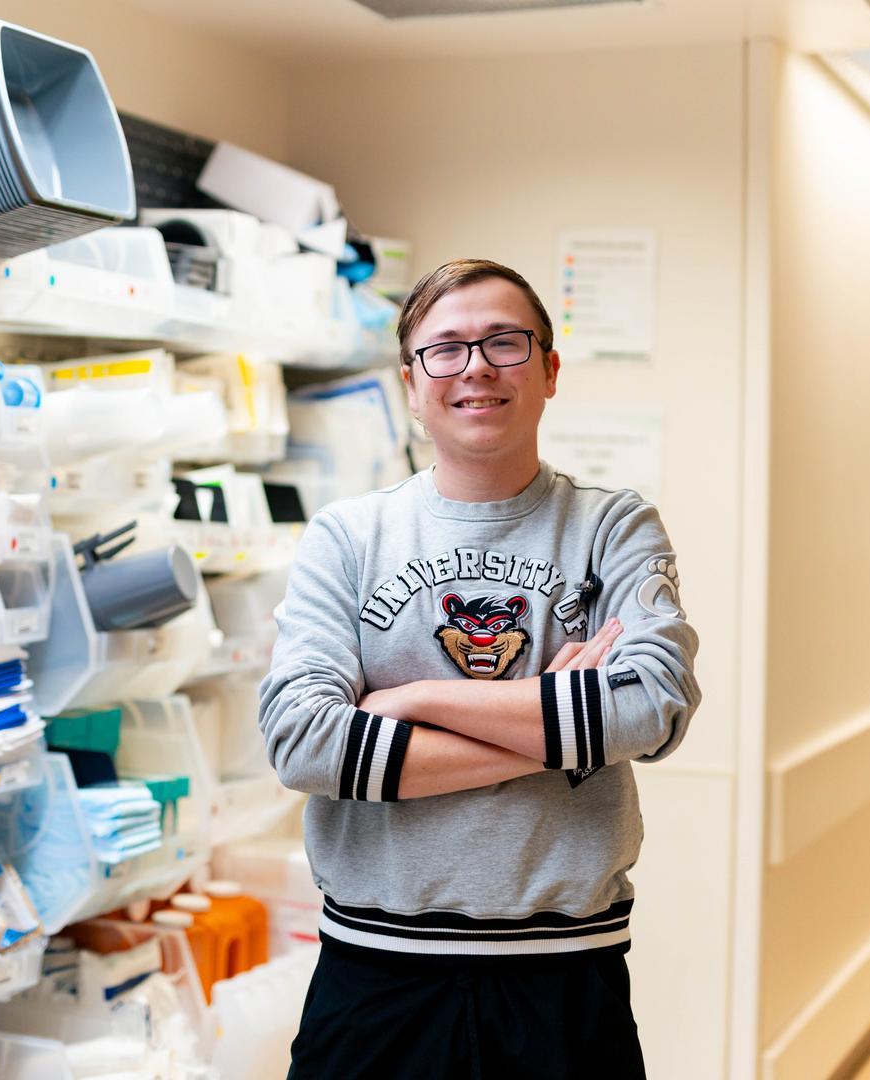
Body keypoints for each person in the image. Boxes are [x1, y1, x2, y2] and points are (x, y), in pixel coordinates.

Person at [258, 258, 700, 1078]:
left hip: (564, 981)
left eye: (504, 342)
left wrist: (412, 698)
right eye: (446, 348)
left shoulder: (612, 526)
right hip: (374, 977)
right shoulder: (348, 537)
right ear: (410, 381)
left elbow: (654, 708)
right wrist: (563, 724)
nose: (476, 369)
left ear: (549, 368)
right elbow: (302, 744)